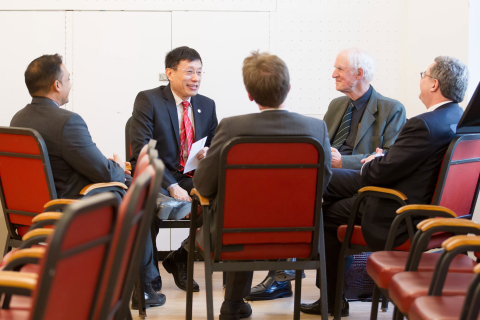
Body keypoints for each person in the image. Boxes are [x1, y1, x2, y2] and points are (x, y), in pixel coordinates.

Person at [300, 56, 468, 316]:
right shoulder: (458, 120)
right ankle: (327, 294)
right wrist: (380, 161)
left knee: (325, 204)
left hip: (398, 210)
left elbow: (382, 173)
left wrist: (371, 161)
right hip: (433, 211)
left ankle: (326, 295)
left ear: (434, 85)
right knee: (324, 184)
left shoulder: (423, 124)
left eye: (424, 74)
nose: (421, 78)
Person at [247, 47, 407, 302]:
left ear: (359, 73)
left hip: (359, 180)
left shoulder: (392, 109)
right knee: (314, 199)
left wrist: (344, 161)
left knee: (298, 187)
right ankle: (325, 296)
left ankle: (282, 270)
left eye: (340, 69)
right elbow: (318, 142)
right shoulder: (336, 106)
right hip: (329, 179)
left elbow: (388, 158)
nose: (333, 74)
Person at [10, 54, 166, 309]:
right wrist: (117, 168)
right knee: (133, 195)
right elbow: (104, 173)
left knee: (123, 182)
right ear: (56, 85)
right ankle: (145, 287)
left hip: (32, 214)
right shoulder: (68, 122)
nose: (71, 83)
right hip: (70, 210)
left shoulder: (19, 120)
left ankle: (147, 281)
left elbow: (61, 161)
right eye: (68, 78)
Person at [193, 51, 332, 320]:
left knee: (239, 214)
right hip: (300, 239)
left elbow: (204, 184)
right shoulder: (317, 129)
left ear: (249, 94)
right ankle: (234, 304)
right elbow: (324, 181)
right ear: (288, 88)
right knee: (250, 214)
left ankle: (232, 305)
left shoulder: (232, 127)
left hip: (233, 238)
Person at [129, 46, 218, 292]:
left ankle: (181, 257)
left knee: (225, 202)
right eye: (189, 71)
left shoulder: (207, 105)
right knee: (143, 204)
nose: (196, 78)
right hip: (157, 176)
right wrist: (170, 185)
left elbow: (216, 143)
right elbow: (143, 150)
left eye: (199, 72)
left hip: (191, 177)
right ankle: (148, 276)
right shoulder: (149, 100)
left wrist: (210, 151)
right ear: (169, 72)